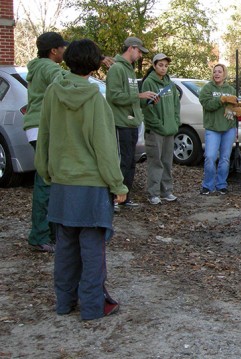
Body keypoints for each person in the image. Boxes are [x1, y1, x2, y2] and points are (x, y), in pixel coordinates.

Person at [34, 39, 127, 320]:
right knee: (92, 250)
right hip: (90, 185)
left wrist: (46, 170)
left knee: (65, 248)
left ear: (68, 60)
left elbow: (45, 134)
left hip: (62, 182)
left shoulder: (52, 92)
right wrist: (118, 184)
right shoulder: (96, 99)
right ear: (95, 64)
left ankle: (64, 303)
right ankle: (92, 306)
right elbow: (105, 147)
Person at [22, 32, 69, 253]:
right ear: (53, 51)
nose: (64, 52)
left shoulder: (37, 67)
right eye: (62, 48)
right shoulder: (50, 68)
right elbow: (65, 87)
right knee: (45, 182)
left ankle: (48, 233)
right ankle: (39, 236)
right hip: (43, 128)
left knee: (48, 180)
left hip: (35, 128)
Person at [106, 36, 156, 208]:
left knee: (130, 162)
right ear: (131, 48)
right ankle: (114, 199)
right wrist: (139, 95)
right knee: (122, 161)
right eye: (140, 51)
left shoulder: (129, 70)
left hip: (132, 123)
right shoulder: (117, 69)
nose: (141, 55)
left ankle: (125, 198)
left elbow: (132, 98)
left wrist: (146, 99)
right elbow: (114, 96)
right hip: (120, 123)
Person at [198, 64, 241, 195]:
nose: (217, 74)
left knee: (225, 158)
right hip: (213, 128)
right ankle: (208, 185)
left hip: (229, 128)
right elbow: (207, 104)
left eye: (220, 71)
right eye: (215, 72)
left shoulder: (231, 89)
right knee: (210, 156)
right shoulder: (207, 89)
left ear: (224, 74)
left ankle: (221, 184)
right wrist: (222, 100)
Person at [140, 53, 180, 205]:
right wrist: (158, 125)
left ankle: (166, 191)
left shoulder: (170, 84)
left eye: (166, 66)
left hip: (170, 130)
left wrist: (175, 122)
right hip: (155, 131)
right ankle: (153, 193)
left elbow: (176, 105)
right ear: (154, 65)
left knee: (167, 162)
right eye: (160, 65)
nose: (163, 68)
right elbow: (146, 108)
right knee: (155, 162)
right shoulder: (149, 83)